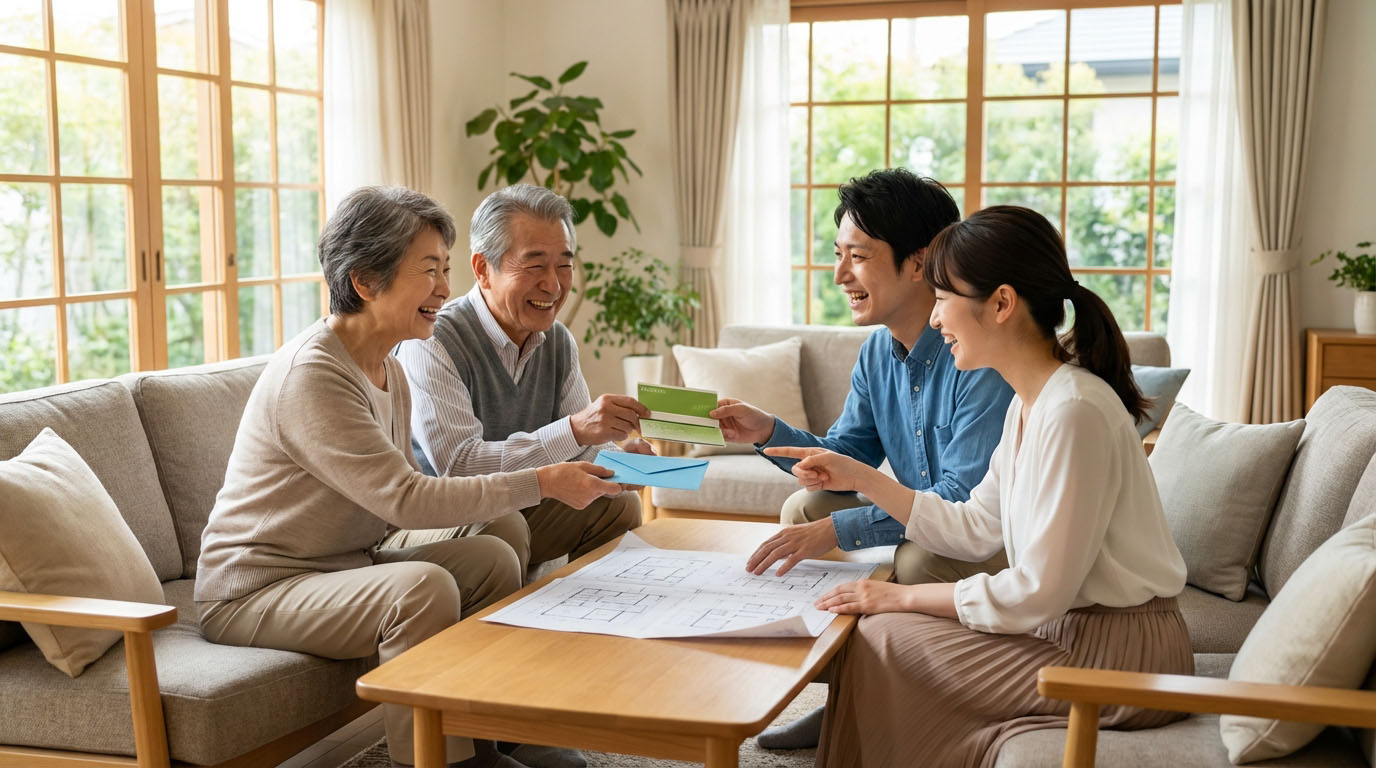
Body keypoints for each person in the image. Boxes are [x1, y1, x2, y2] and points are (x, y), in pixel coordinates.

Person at [195, 186, 620, 768]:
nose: (446, 290)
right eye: (429, 271)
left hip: (347, 560)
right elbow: (403, 498)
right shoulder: (315, 373)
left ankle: (492, 730)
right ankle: (436, 760)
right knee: (422, 590)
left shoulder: (386, 362)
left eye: (445, 270)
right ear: (366, 280)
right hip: (257, 586)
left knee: (492, 557)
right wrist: (544, 481)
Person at [764, 205, 1192, 768]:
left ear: (1001, 304)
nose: (936, 320)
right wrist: (863, 476)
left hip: (1119, 653)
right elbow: (972, 525)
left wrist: (902, 596)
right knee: (882, 633)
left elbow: (1038, 590)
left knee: (885, 634)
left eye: (943, 300)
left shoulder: (1074, 411)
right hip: (1073, 631)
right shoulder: (1031, 403)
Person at [711, 169, 1013, 749]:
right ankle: (841, 697)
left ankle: (911, 707)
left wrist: (842, 526)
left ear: (919, 261)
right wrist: (766, 430)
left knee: (923, 557)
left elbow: (958, 502)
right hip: (933, 518)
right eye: (837, 254)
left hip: (990, 534)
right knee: (806, 507)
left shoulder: (978, 352)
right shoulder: (878, 349)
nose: (840, 274)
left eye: (858, 256)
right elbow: (845, 456)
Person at [393, 184, 648, 577]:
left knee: (617, 502)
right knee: (503, 527)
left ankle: (592, 623)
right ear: (482, 270)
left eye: (564, 264)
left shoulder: (557, 341)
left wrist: (620, 462)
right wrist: (577, 430)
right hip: (445, 522)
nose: (554, 283)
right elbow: (458, 467)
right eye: (534, 265)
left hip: (519, 511)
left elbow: (580, 450)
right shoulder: (433, 340)